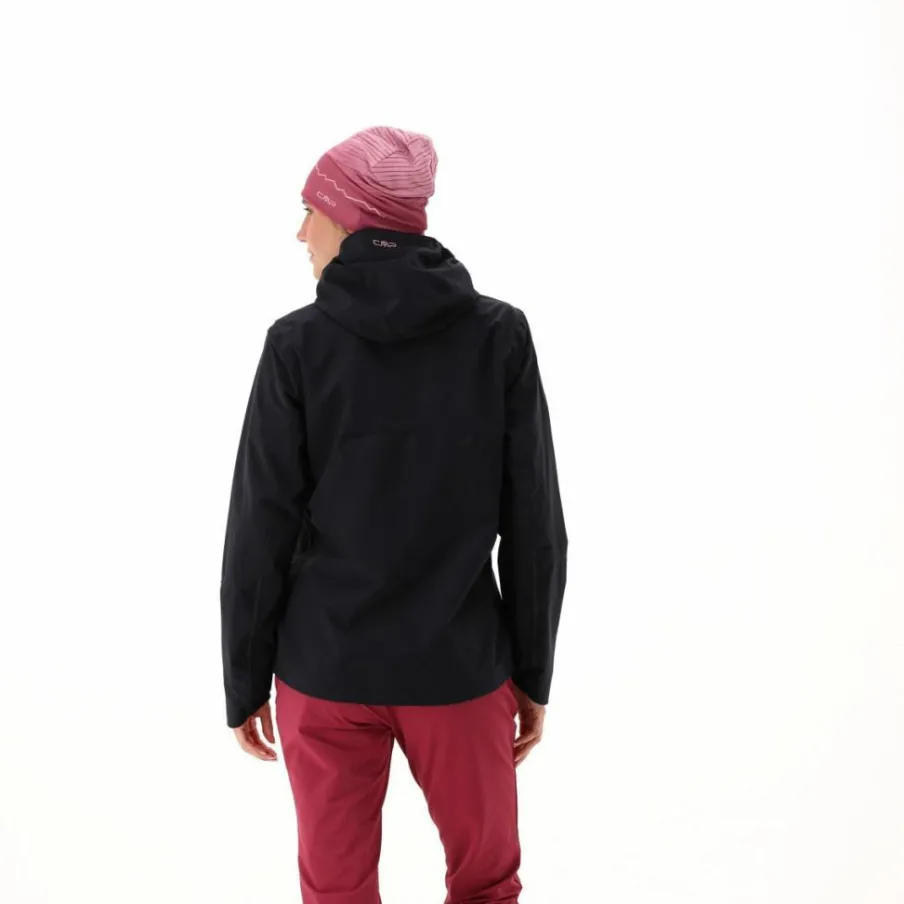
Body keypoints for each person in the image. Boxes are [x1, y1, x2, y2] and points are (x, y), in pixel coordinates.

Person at [219, 125, 568, 904]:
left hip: (324, 669)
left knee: (336, 892)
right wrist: (532, 672)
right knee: (487, 884)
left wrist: (245, 678)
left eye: (309, 210)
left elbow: (260, 525)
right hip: (461, 670)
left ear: (349, 217)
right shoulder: (498, 336)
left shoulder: (297, 345)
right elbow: (535, 525)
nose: (300, 232)